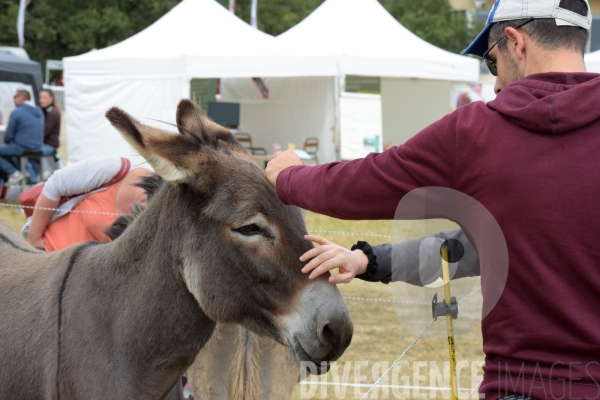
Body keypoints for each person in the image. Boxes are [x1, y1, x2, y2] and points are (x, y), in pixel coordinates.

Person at [265, 1, 599, 399]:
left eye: (492, 62)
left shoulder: (478, 132)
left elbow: (365, 182)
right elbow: (474, 247)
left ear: (516, 42)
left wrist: (287, 175)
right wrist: (368, 260)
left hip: (524, 387)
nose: (494, 84)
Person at [25, 155, 152, 251]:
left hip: (82, 279)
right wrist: (34, 240)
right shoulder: (114, 169)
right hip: (47, 255)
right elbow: (55, 185)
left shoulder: (155, 217)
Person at [0, 90, 43, 185]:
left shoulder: (17, 112)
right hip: (38, 147)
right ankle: (33, 179)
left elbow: (8, 135)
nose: (13, 100)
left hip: (22, 147)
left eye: (15, 97)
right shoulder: (39, 111)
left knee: (9, 150)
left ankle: (13, 172)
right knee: (13, 153)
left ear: (21, 98)